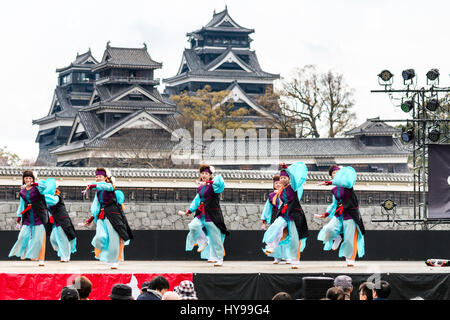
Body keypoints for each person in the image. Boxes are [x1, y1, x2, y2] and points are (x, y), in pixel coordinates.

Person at [80, 168, 133, 269]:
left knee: (114, 238)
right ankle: (107, 256)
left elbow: (104, 186)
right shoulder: (98, 191)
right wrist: (89, 220)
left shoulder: (109, 186)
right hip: (102, 215)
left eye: (100, 177)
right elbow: (97, 207)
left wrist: (92, 185)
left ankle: (114, 261)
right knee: (101, 237)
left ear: (105, 178)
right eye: (96, 177)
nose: (97, 178)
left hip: (112, 215)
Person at [316, 165, 365, 267]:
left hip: (350, 214)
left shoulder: (348, 184)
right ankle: (337, 237)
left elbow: (344, 182)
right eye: (334, 173)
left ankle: (350, 259)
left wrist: (329, 182)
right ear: (331, 175)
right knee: (329, 229)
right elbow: (334, 204)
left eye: (339, 172)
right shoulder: (334, 190)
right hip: (339, 213)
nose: (337, 174)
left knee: (349, 238)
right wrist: (326, 214)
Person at [262, 162, 309, 269]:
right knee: (275, 226)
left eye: (285, 178)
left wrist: (287, 169)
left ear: (288, 179)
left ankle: (295, 261)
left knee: (294, 238)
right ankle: (272, 246)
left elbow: (293, 177)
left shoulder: (294, 187)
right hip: (284, 213)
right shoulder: (280, 191)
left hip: (295, 214)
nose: (282, 180)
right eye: (281, 178)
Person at [182, 164, 229, 267]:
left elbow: (221, 184)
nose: (204, 175)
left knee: (215, 237)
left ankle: (219, 258)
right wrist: (190, 210)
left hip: (212, 214)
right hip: (201, 213)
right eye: (202, 173)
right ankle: (204, 241)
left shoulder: (214, 186)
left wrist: (211, 181)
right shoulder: (200, 188)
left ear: (210, 175)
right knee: (193, 226)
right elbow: (197, 200)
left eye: (206, 173)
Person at [9, 171, 54, 266]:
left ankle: (41, 259)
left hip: (40, 216)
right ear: (23, 180)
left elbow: (44, 186)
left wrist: (35, 183)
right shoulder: (22, 191)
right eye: (26, 178)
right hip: (28, 216)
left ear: (33, 179)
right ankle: (24, 252)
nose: (28, 180)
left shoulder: (38, 188)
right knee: (22, 236)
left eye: (30, 178)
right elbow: (22, 205)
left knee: (39, 239)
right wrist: (19, 217)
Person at [45, 185, 77, 263]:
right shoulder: (48, 199)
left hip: (62, 220)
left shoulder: (56, 197)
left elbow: (52, 201)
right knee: (53, 239)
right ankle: (63, 253)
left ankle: (65, 256)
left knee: (62, 239)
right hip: (55, 222)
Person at [261, 175, 289, 264]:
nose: (277, 184)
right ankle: (277, 257)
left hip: (285, 217)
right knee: (275, 235)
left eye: (279, 183)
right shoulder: (271, 196)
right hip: (275, 217)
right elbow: (267, 209)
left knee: (285, 237)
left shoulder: (286, 193)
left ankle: (287, 257)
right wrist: (264, 221)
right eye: (275, 183)